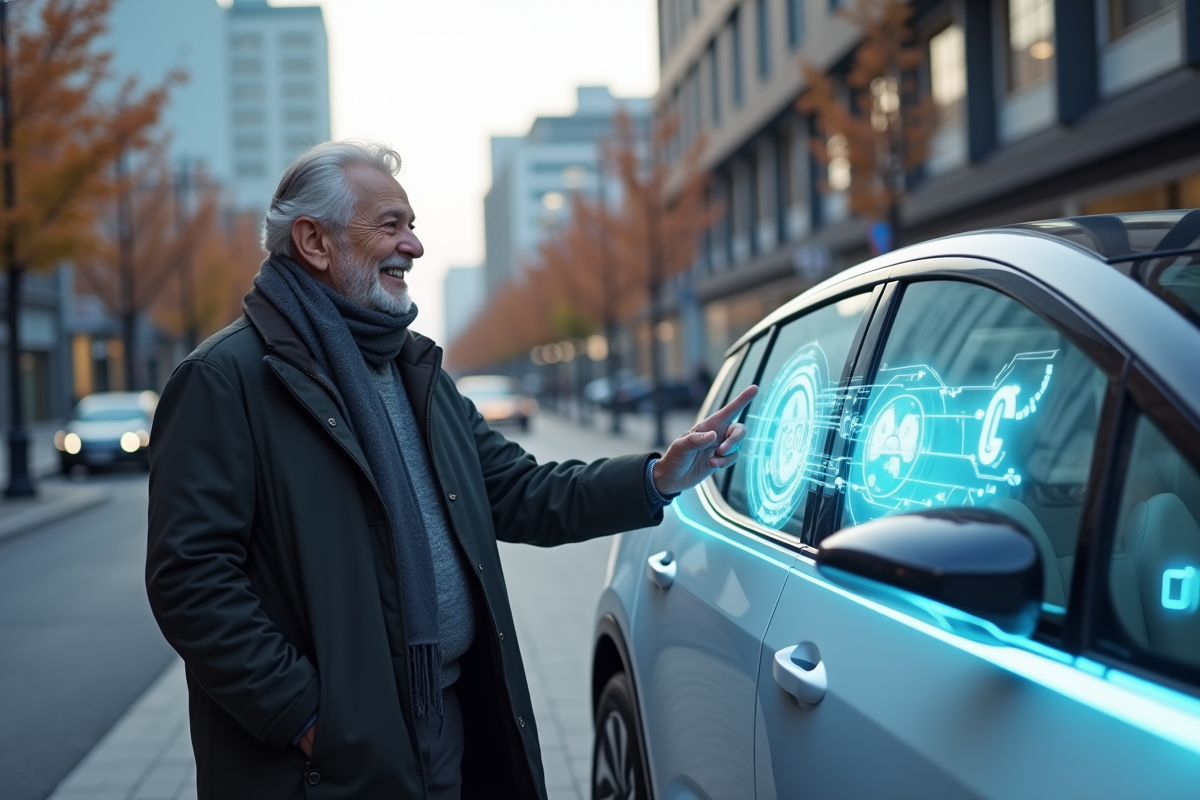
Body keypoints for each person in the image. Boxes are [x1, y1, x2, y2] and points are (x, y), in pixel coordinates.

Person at [145, 140, 755, 800]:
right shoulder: (224, 380)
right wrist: (305, 716)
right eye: (390, 226)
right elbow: (191, 579)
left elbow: (518, 491)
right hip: (320, 761)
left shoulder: (417, 373)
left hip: (446, 722)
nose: (413, 246)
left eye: (412, 225)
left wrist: (655, 478)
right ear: (314, 242)